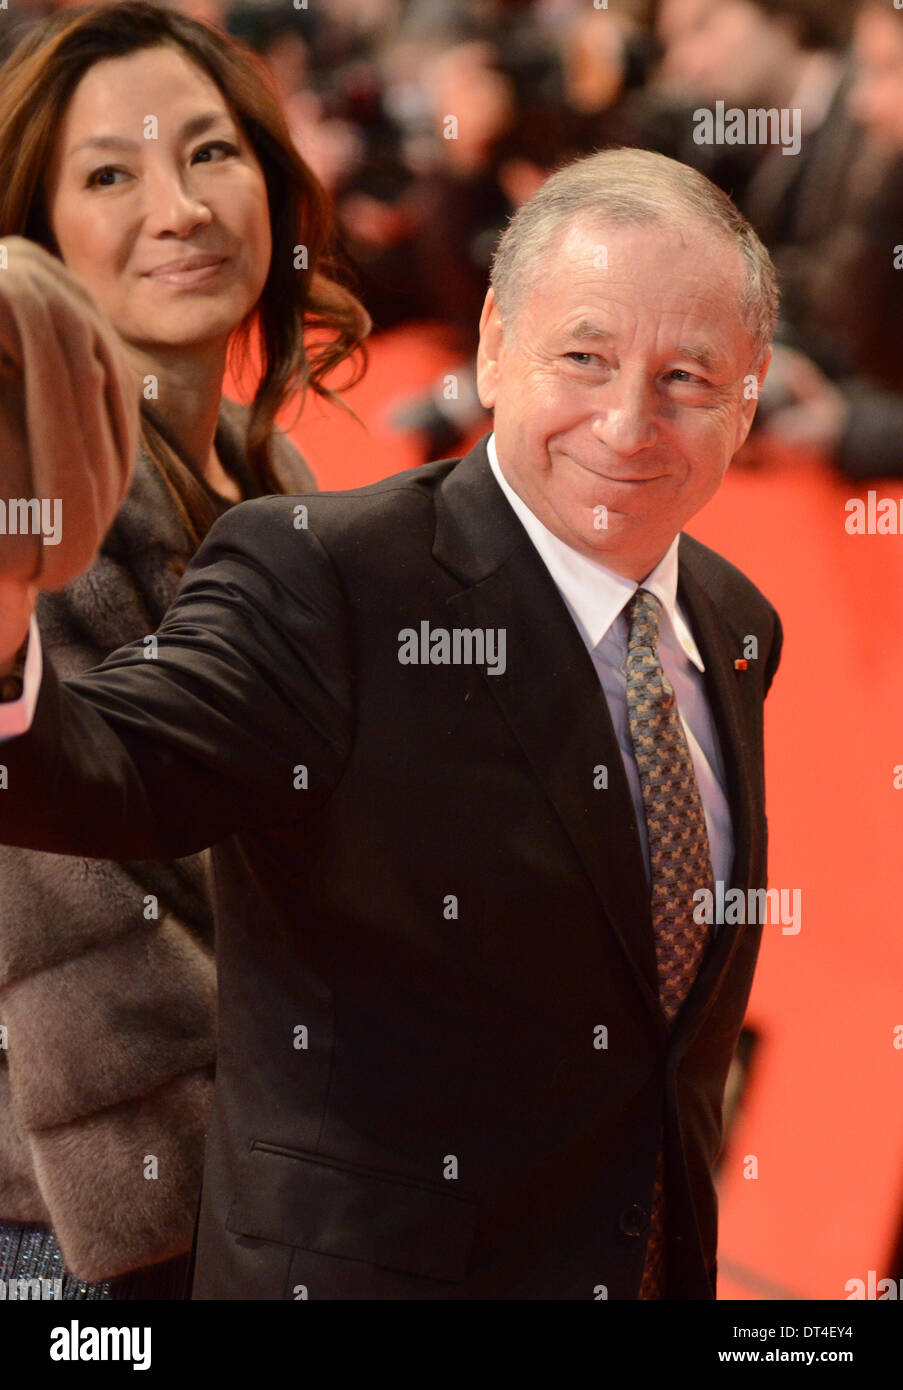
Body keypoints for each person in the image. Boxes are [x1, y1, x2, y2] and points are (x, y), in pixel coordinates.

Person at [0, 145, 782, 1300]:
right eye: (585, 356)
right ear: (493, 349)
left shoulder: (734, 622)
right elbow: (105, 767)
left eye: (687, 379)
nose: (628, 423)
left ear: (750, 394)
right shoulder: (329, 573)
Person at [0, 0, 368, 1299]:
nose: (180, 206)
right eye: (110, 172)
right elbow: (92, 953)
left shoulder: (271, 472)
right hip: (114, 1237)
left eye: (209, 152)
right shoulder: (43, 504)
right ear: (38, 238)